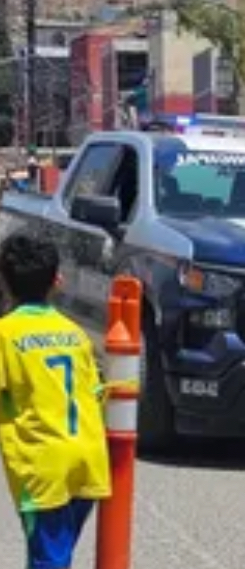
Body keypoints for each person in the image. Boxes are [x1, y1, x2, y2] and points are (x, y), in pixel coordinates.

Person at [0, 234, 111, 569]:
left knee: (49, 560)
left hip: (43, 468)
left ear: (4, 283)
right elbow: (95, 392)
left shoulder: (6, 334)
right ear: (57, 281)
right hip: (88, 462)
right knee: (55, 553)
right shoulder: (75, 334)